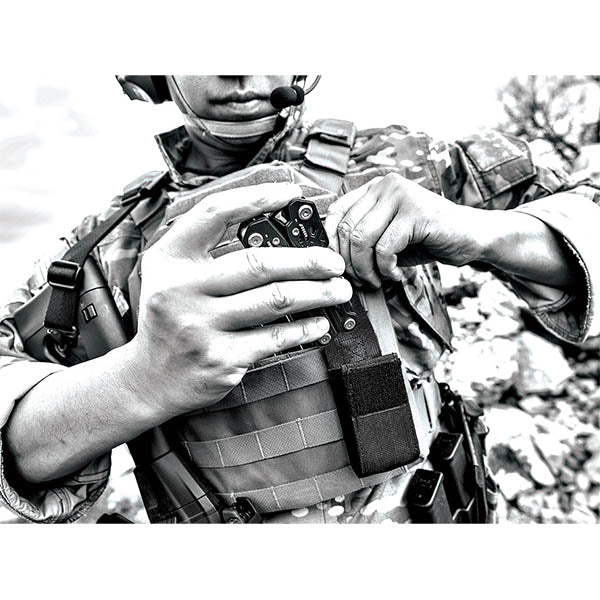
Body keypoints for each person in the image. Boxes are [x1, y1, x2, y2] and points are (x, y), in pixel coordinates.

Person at [0, 75, 598, 524]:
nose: (239, 67)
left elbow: (580, 201)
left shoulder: (404, 162)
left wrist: (485, 233)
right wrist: (138, 381)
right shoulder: (96, 251)